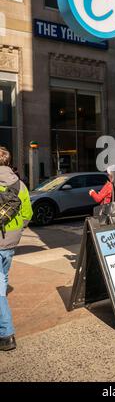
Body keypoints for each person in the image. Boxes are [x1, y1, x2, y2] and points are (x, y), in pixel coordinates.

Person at [0, 147, 33, 351]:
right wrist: (17, 227)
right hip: (10, 242)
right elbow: (28, 213)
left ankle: (6, 333)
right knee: (2, 280)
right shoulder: (20, 184)